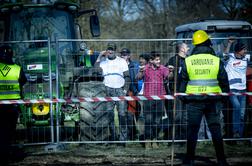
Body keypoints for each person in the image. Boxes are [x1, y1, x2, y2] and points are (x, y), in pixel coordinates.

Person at [179, 30, 230, 166]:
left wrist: (184, 99)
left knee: (192, 131)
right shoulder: (216, 60)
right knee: (215, 130)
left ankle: (189, 159)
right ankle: (221, 160)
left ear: (195, 45)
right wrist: (223, 98)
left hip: (193, 100)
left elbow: (182, 82)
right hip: (213, 101)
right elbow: (224, 81)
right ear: (208, 43)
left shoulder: (188, 61)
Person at [95, 42, 130, 144]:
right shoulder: (103, 62)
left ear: (115, 50)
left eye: (112, 49)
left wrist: (125, 90)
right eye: (108, 49)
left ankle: (123, 139)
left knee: (122, 115)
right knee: (109, 115)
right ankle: (113, 137)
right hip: (107, 90)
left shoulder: (122, 61)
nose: (110, 51)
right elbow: (95, 70)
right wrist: (99, 56)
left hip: (120, 89)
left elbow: (127, 76)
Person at [136, 51, 169, 149]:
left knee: (157, 121)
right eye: (156, 60)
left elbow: (169, 76)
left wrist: (171, 72)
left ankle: (155, 139)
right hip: (148, 99)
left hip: (160, 98)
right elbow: (137, 78)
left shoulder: (163, 68)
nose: (159, 61)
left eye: (159, 59)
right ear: (151, 60)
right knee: (148, 120)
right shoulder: (145, 68)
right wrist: (141, 71)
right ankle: (147, 141)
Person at [0, 45, 27, 165]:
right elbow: (23, 81)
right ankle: (6, 155)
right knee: (9, 131)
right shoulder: (17, 69)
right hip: (13, 106)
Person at [224, 42, 250, 138]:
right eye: (244, 49)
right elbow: (225, 54)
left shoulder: (246, 57)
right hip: (232, 89)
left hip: (243, 90)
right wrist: (229, 43)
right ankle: (235, 132)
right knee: (237, 108)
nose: (246, 51)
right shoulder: (230, 57)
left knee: (242, 114)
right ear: (238, 51)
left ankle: (240, 136)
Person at [165, 42, 190, 140]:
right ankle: (174, 139)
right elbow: (168, 77)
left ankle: (184, 139)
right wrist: (170, 72)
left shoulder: (189, 60)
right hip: (176, 91)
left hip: (188, 91)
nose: (188, 48)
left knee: (185, 117)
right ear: (182, 49)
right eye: (186, 47)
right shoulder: (173, 60)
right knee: (177, 116)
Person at [120, 47, 140, 140]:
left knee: (132, 113)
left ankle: (133, 133)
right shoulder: (118, 65)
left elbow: (136, 78)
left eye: (126, 54)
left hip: (132, 91)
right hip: (122, 91)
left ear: (129, 55)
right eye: (122, 54)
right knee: (123, 113)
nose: (124, 56)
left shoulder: (134, 65)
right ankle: (127, 134)